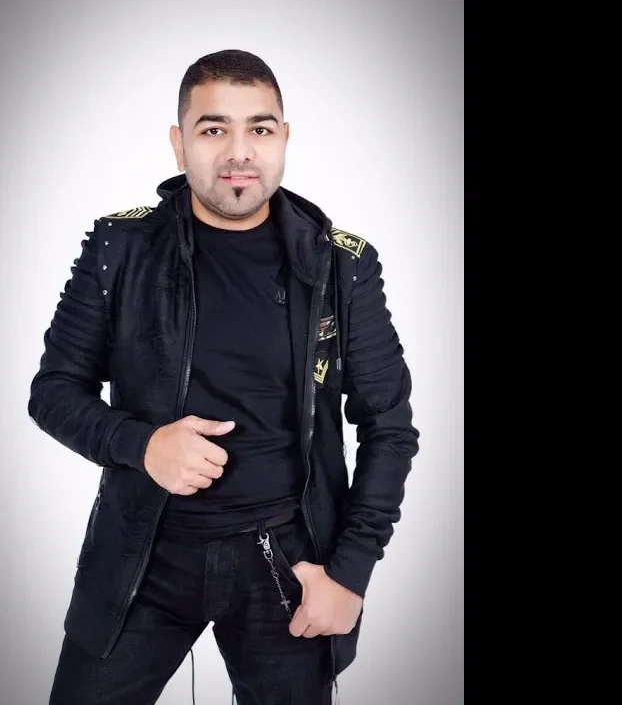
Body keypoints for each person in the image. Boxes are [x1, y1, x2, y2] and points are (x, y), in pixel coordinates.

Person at [28, 49, 420, 705]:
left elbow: (390, 427)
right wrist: (144, 445)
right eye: (213, 129)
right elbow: (54, 391)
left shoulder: (342, 265)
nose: (239, 152)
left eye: (259, 129)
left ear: (283, 138)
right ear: (179, 143)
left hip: (289, 564)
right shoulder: (118, 249)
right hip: (141, 557)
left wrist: (349, 574)